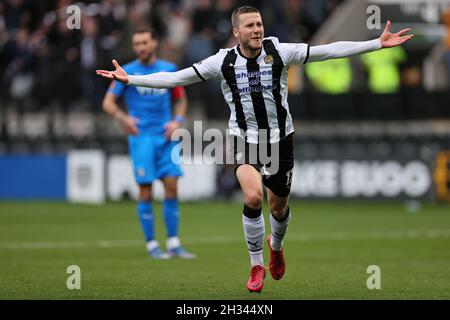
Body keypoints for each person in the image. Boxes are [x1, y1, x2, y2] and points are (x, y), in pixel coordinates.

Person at [97, 6, 413, 292]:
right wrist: (131, 79)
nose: (257, 29)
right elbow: (175, 78)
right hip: (243, 140)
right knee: (252, 197)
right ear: (237, 32)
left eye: (259, 23)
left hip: (280, 139)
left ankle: (276, 246)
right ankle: (256, 264)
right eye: (249, 25)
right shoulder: (222, 61)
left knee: (278, 208)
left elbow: (327, 51)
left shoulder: (279, 50)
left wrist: (375, 44)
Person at [102, 28, 196, 260]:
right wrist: (123, 118)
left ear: (154, 43)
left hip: (166, 138)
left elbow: (181, 100)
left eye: (145, 42)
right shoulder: (128, 72)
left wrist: (177, 121)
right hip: (141, 137)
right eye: (137, 44)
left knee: (172, 187)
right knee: (146, 191)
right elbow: (108, 103)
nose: (141, 47)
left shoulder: (169, 69)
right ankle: (152, 244)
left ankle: (173, 243)